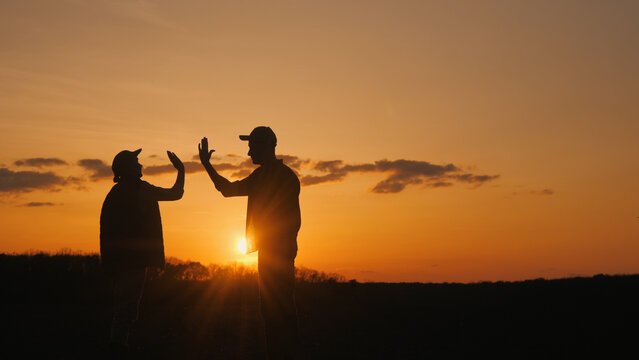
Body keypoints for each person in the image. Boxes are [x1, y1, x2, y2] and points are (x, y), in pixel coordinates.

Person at [199, 127, 301, 359]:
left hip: (278, 254)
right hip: (271, 253)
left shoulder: (281, 177)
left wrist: (278, 247)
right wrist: (206, 164)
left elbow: (291, 221)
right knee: (272, 311)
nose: (248, 152)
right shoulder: (264, 176)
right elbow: (228, 190)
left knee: (279, 311)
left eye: (252, 146)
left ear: (267, 147)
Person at [99, 148, 184, 355]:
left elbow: (106, 231)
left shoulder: (113, 195)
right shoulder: (140, 189)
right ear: (128, 168)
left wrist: (109, 264)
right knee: (127, 309)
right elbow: (175, 194)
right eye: (136, 162)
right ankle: (118, 348)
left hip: (118, 262)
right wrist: (181, 170)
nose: (140, 165)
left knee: (123, 307)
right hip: (133, 262)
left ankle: (119, 345)